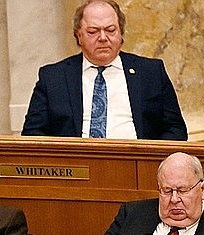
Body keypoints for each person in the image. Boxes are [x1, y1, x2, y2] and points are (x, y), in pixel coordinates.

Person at [21, 0, 187, 140]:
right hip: (76, 168)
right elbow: (32, 134)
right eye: (93, 31)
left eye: (110, 30)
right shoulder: (53, 78)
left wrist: (149, 159)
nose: (102, 38)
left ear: (121, 33)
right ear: (79, 35)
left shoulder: (150, 73)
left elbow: (176, 129)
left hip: (138, 167)